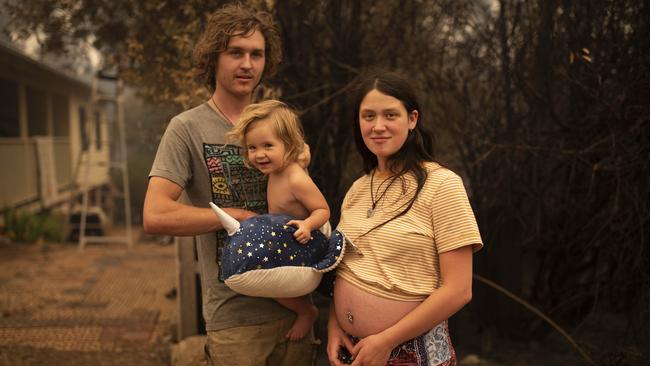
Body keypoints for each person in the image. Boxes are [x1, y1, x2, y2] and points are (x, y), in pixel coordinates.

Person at [143, 4, 316, 365]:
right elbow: (155, 215)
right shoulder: (187, 128)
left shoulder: (278, 123)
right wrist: (235, 216)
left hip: (296, 311)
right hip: (234, 321)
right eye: (235, 52)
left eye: (257, 54)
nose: (247, 64)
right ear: (213, 59)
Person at [326, 70, 483, 366]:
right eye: (368, 116)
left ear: (412, 119)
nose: (378, 126)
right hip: (352, 351)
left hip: (410, 354)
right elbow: (344, 267)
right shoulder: (358, 188)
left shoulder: (442, 185)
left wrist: (386, 341)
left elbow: (459, 289)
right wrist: (335, 326)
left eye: (390, 115)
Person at [226, 99, 329, 341]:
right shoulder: (277, 170)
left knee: (270, 282)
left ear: (289, 145)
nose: (259, 155)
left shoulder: (295, 179)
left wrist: (307, 225)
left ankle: (306, 312)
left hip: (301, 241)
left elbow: (323, 210)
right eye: (252, 148)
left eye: (268, 146)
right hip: (284, 239)